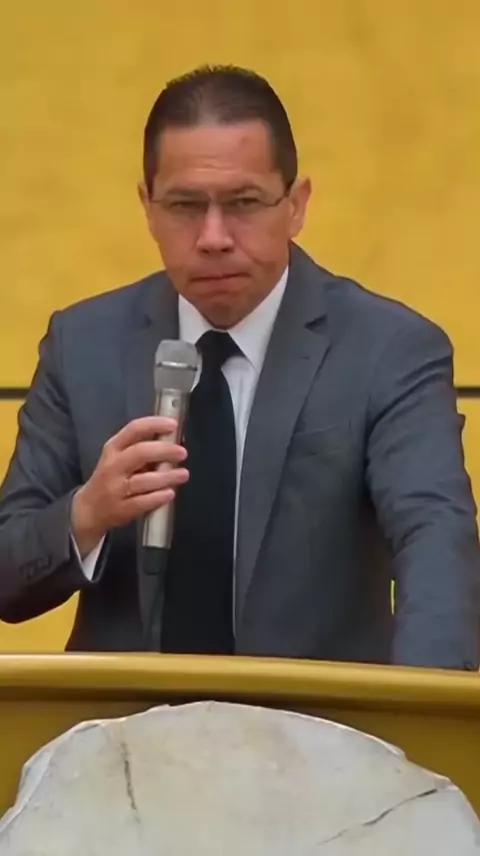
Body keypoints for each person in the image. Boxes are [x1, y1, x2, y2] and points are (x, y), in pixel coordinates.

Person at [0, 65, 479, 668]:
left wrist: (423, 710)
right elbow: (8, 575)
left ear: (296, 205)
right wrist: (85, 515)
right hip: (125, 722)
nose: (213, 237)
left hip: (316, 719)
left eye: (244, 203)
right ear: (147, 206)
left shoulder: (388, 349)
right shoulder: (84, 345)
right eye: (184, 206)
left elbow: (433, 536)